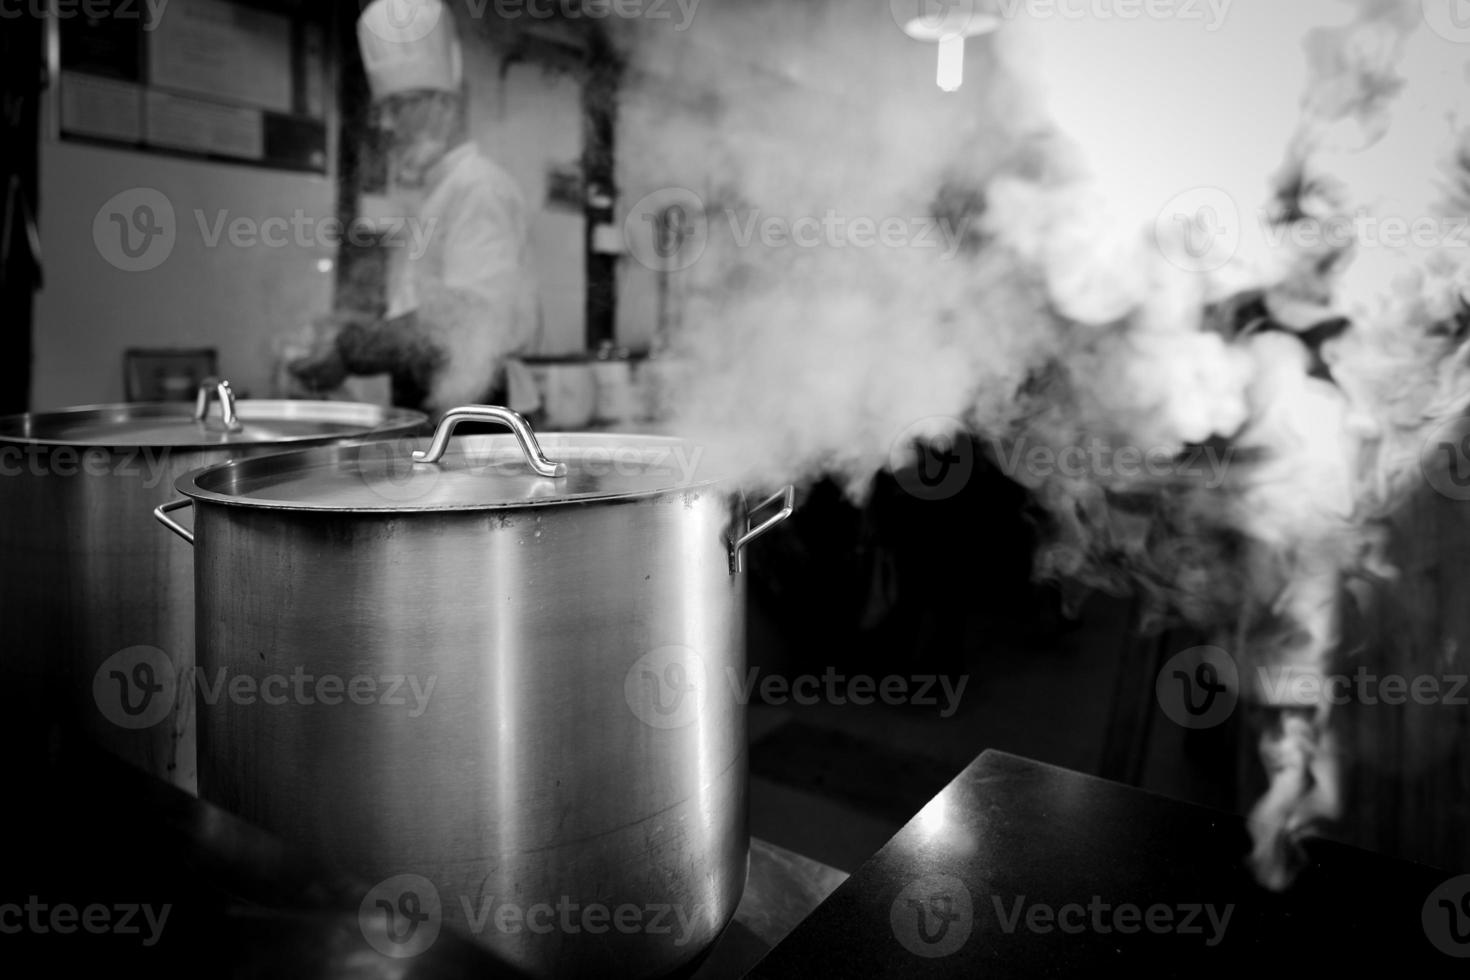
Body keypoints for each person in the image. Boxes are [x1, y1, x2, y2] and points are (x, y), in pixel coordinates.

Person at [289, 0, 540, 417]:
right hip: (432, 399)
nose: (387, 124)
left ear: (444, 105)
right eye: (383, 108)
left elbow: (467, 319)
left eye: (402, 105)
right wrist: (347, 327)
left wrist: (350, 349)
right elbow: (417, 310)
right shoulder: (432, 195)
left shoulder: (479, 188)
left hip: (477, 405)